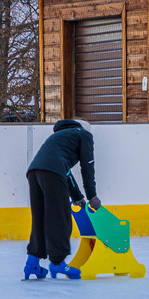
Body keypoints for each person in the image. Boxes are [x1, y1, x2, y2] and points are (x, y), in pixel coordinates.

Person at [25, 119, 98, 281]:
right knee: (59, 216)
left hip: (34, 171)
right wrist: (92, 196)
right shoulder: (84, 135)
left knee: (40, 218)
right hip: (52, 171)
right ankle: (58, 263)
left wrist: (77, 196)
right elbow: (87, 166)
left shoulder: (59, 137)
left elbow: (65, 172)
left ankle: (32, 262)